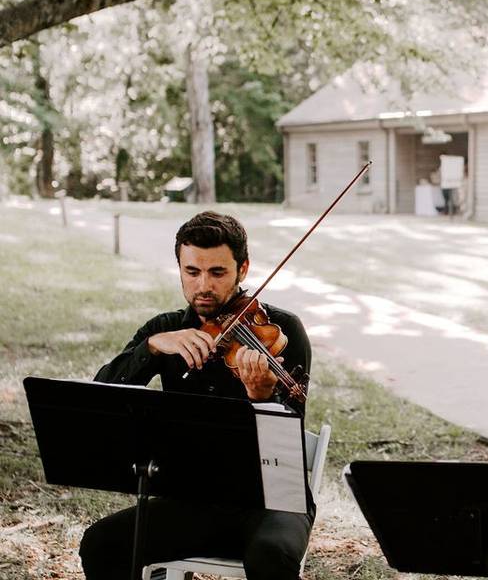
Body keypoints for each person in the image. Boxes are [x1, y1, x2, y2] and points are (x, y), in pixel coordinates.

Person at [79, 211, 313, 580]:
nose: (204, 285)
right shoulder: (165, 330)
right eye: (192, 272)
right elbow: (103, 395)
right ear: (180, 269)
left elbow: (290, 428)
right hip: (194, 499)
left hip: (271, 500)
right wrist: (152, 348)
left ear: (243, 269)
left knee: (271, 555)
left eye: (217, 273)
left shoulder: (281, 331)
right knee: (101, 543)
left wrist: (261, 396)